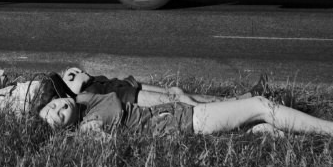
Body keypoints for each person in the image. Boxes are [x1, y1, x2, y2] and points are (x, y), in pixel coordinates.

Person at [36, 73, 333, 139]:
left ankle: (309, 134)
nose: (56, 109)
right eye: (52, 117)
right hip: (187, 122)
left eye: (52, 104)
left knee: (263, 129)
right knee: (259, 104)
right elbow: (106, 144)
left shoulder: (85, 99)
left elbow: (128, 87)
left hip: (181, 116)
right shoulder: (87, 128)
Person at [0, 58, 270, 114]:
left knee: (175, 92)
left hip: (98, 85)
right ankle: (248, 111)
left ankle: (245, 98)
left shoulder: (5, 92)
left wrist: (67, 78)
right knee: (178, 102)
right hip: (98, 96)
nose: (4, 74)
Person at [60, 67, 267, 108]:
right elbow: (76, 88)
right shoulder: (79, 92)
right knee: (187, 103)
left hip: (132, 89)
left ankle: (243, 98)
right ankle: (246, 102)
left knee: (181, 94)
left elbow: (129, 83)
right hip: (132, 100)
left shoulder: (92, 80)